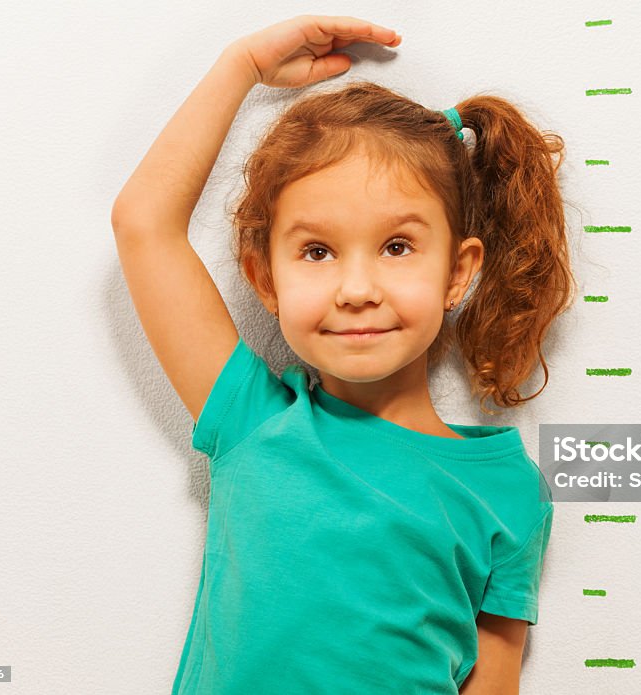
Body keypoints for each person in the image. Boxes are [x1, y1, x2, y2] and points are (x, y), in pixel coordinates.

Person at [111, 14, 575, 694]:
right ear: (266, 278)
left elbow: (495, 678)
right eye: (317, 251)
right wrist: (240, 65)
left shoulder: (508, 490)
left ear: (457, 272)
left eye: (396, 247)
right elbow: (143, 223)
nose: (356, 290)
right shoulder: (252, 420)